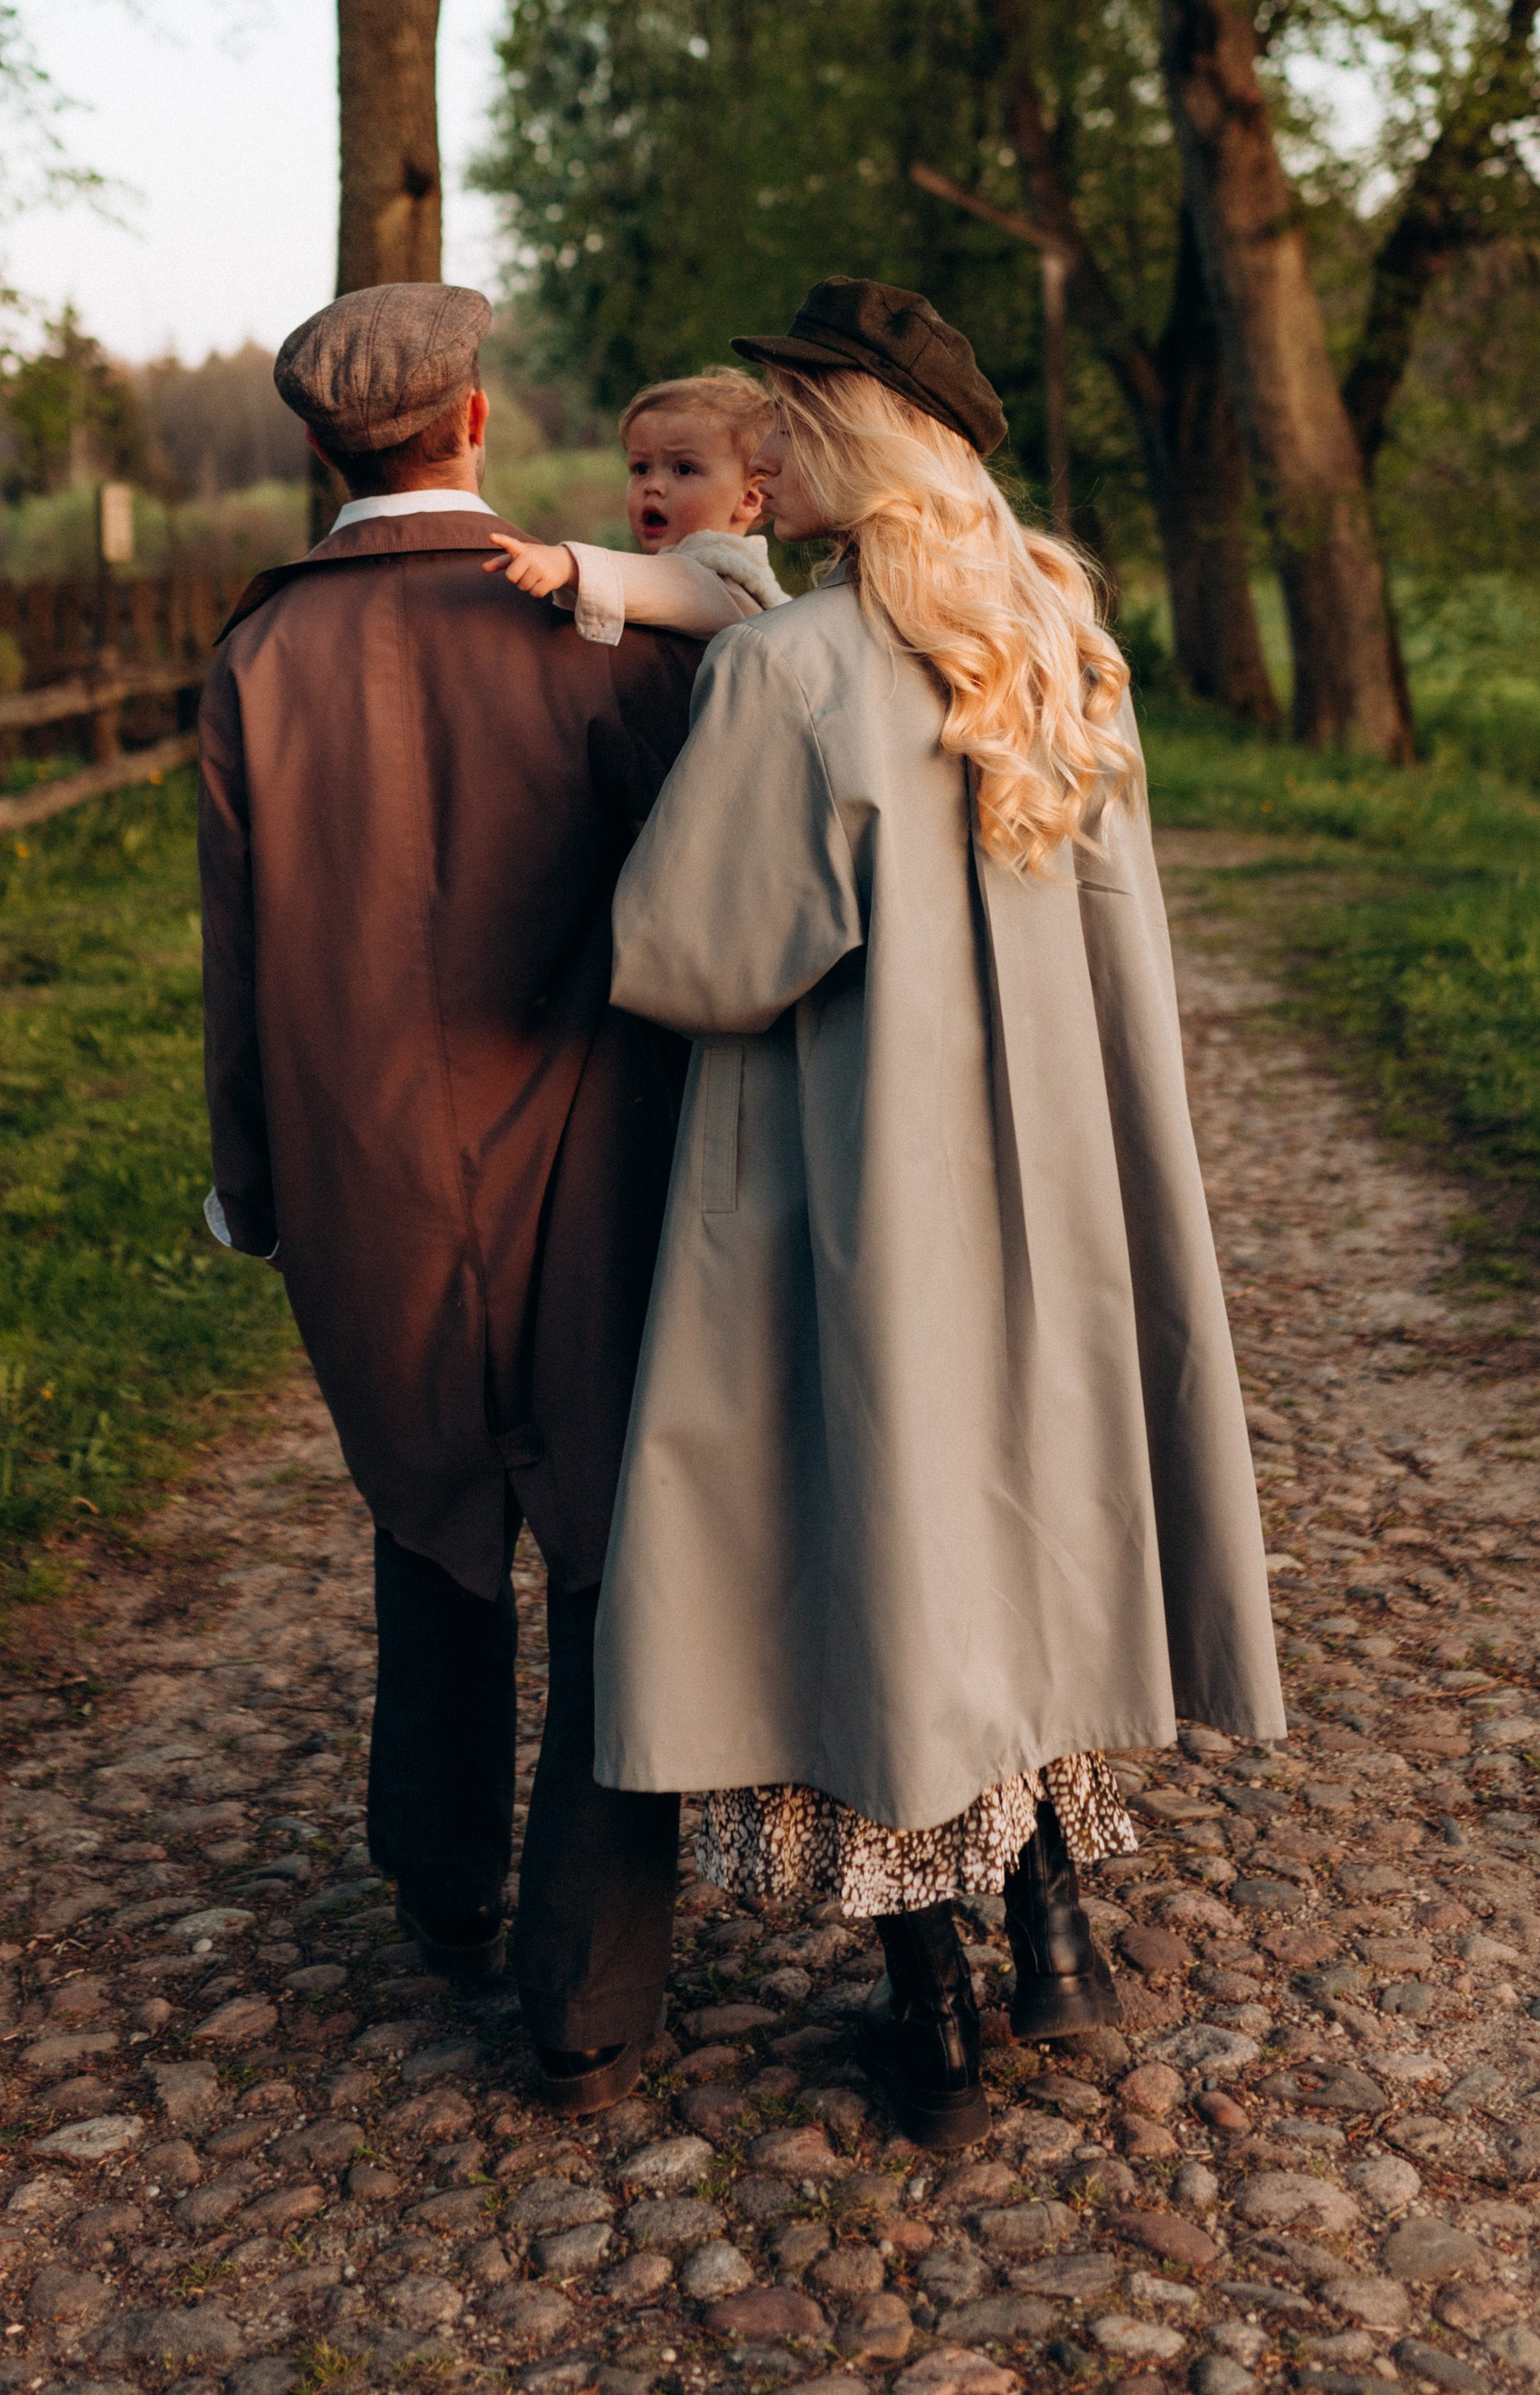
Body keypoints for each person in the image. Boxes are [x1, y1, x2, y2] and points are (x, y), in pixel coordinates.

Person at [590, 278, 1286, 2147]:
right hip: (1055, 1171)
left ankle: (937, 2013)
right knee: (1024, 1520)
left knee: (877, 1541)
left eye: (791, 418)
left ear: (852, 437)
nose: (768, 448)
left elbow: (693, 956)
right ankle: (1053, 1927)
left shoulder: (787, 671)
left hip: (860, 1177)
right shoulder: (1053, 632)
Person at [196, 282, 703, 2106]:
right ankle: (585, 1996)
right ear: (471, 423)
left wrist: (248, 1186)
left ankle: (438, 1877)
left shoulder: (258, 658)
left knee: (423, 1513)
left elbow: (236, 963)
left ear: (319, 451)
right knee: (600, 1545)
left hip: (361, 1177)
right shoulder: (595, 627)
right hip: (589, 1147)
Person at [487, 366, 785, 642]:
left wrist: (569, 564)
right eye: (641, 468)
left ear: (749, 498)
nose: (652, 485)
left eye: (683, 469)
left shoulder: (727, 584)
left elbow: (674, 585)